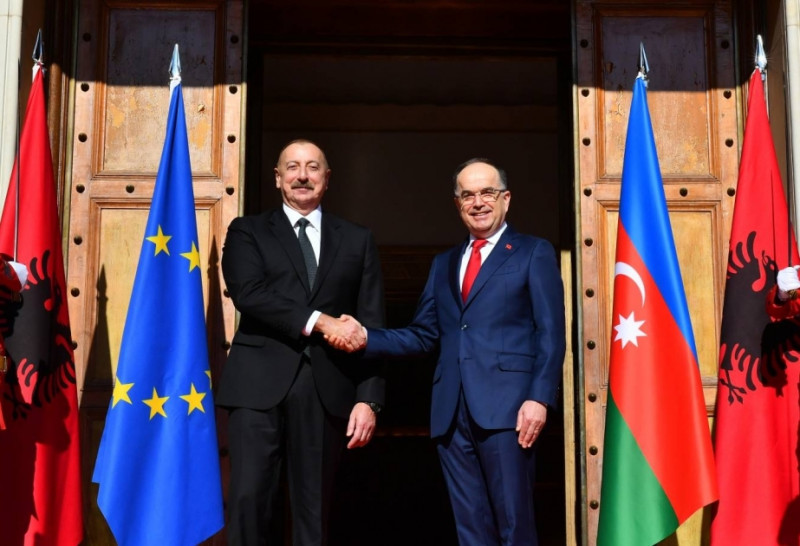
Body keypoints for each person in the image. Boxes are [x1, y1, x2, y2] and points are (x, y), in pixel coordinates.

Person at [328, 158, 566, 545]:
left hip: (510, 412)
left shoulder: (532, 252)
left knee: (514, 523)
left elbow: (551, 333)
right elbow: (423, 335)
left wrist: (539, 398)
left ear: (506, 198)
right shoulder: (444, 263)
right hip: (451, 416)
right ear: (457, 204)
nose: (478, 202)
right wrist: (366, 336)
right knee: (470, 529)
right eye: (467, 195)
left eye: (487, 193)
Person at [216, 138, 385, 545]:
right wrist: (322, 322)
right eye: (292, 167)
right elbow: (249, 294)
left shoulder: (357, 239)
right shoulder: (248, 231)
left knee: (315, 511)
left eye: (312, 167)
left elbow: (372, 324)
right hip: (257, 387)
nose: (302, 176)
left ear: (327, 178)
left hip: (328, 389)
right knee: (248, 500)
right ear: (277, 178)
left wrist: (369, 398)